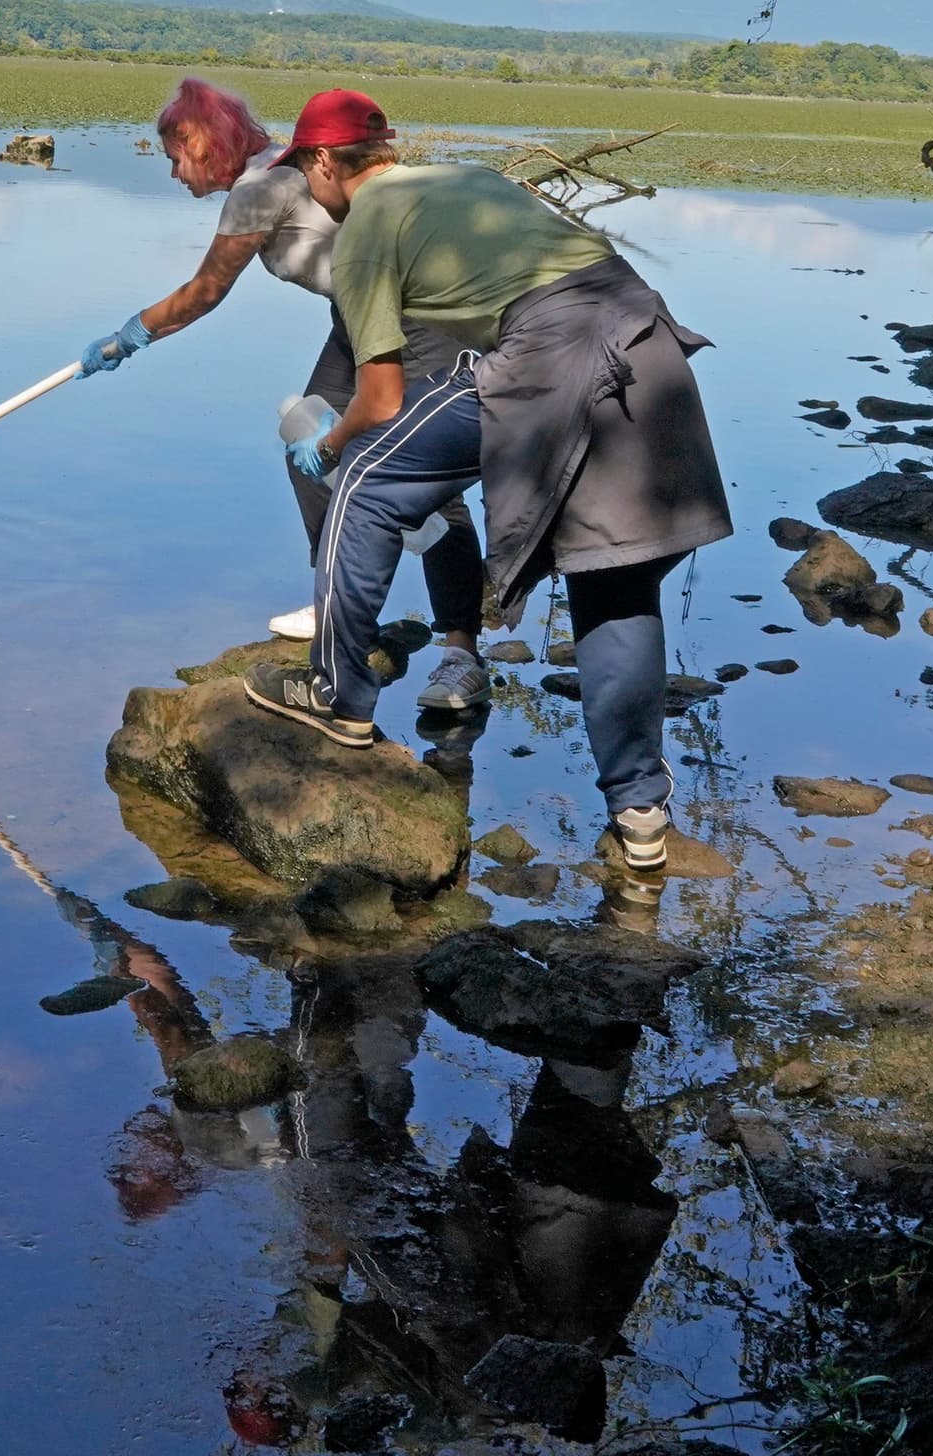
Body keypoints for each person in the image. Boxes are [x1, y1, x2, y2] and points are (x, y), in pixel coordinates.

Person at [243, 91, 733, 876]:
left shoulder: (367, 224)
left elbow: (380, 401)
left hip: (551, 357)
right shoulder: (472, 178)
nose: (310, 190)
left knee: (366, 476)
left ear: (324, 162)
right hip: (649, 345)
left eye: (306, 172)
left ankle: (337, 697)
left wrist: (327, 443)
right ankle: (640, 811)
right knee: (613, 573)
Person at [76, 78, 491, 722]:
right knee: (309, 445)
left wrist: (131, 335)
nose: (172, 173)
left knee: (431, 484)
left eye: (173, 156)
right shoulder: (281, 172)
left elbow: (205, 291)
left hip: (420, 327)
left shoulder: (259, 190)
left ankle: (461, 651)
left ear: (202, 145)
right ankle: (338, 604)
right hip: (354, 323)